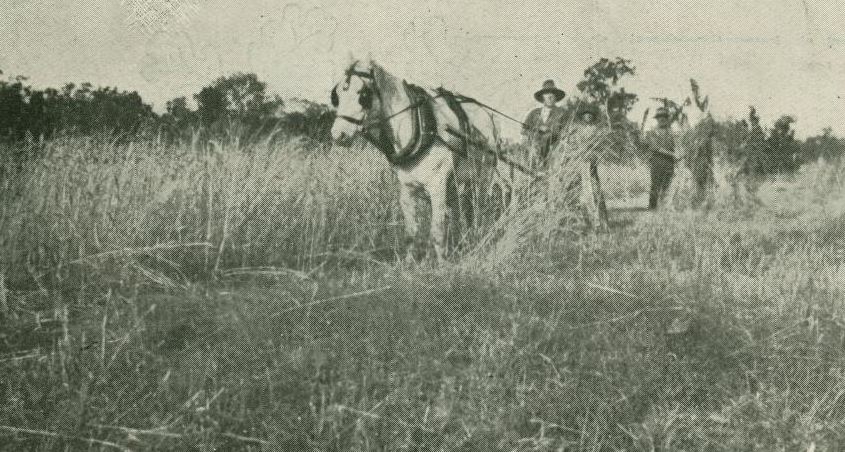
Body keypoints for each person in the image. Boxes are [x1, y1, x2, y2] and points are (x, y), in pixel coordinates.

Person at [555, 103, 609, 230]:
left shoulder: (597, 130)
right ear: (582, 116)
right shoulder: (576, 129)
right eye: (586, 114)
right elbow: (569, 144)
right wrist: (574, 153)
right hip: (578, 162)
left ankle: (600, 222)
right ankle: (586, 222)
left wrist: (591, 153)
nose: (588, 117)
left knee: (593, 190)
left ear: (593, 116)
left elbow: (600, 146)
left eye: (590, 115)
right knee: (581, 191)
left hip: (591, 163)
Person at [522, 80, 567, 170]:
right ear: (543, 96)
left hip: (554, 155)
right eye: (547, 94)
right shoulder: (533, 114)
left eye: (552, 94)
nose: (550, 97)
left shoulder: (562, 113)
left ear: (556, 96)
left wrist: (550, 130)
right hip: (533, 154)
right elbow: (524, 133)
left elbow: (566, 134)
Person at [644, 107, 676, 209]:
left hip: (670, 163)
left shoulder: (672, 132)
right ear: (656, 119)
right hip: (657, 163)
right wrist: (673, 154)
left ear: (667, 118)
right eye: (659, 117)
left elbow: (677, 145)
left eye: (664, 117)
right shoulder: (651, 132)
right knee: (655, 187)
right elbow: (655, 148)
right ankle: (652, 209)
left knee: (667, 186)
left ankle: (663, 208)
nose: (662, 119)